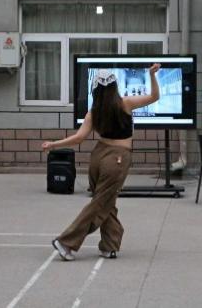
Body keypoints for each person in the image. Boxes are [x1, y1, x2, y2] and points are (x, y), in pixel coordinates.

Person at [43, 64, 161, 261]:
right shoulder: (126, 104)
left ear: (95, 90)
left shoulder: (93, 112)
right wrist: (151, 75)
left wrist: (54, 144)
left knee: (106, 201)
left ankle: (109, 246)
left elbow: (79, 138)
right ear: (114, 87)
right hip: (117, 158)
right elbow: (154, 97)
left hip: (98, 156)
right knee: (100, 203)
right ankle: (66, 242)